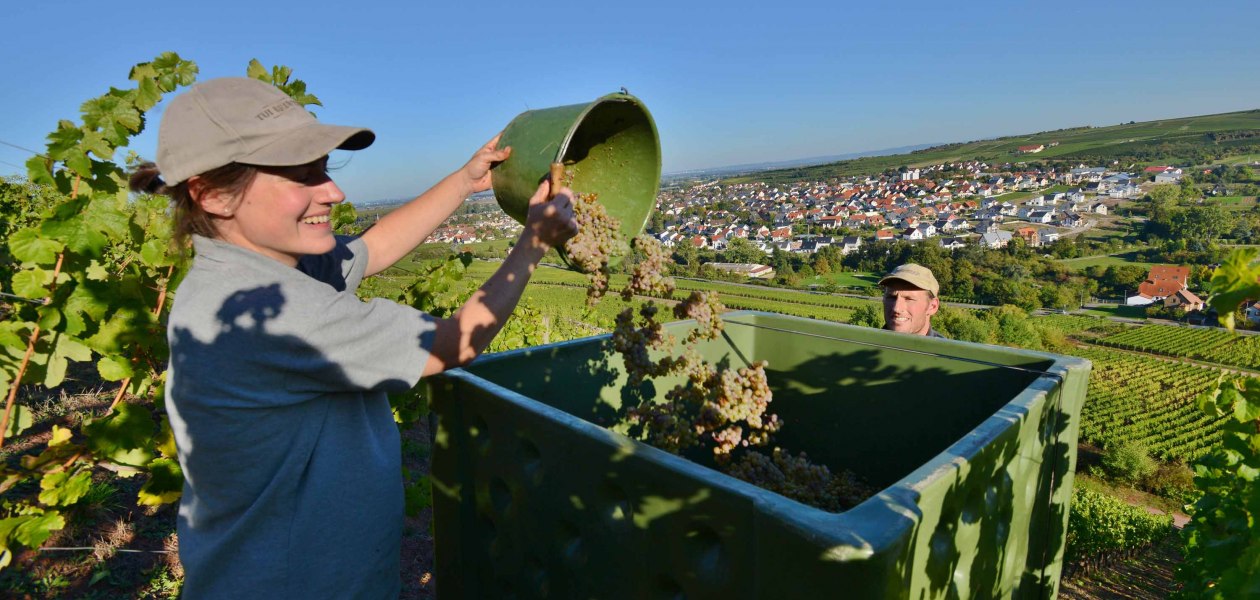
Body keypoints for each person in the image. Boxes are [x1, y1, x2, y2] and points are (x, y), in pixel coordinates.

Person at [130, 77, 578, 598]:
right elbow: (456, 343)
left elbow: (371, 249)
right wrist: (533, 244)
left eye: (324, 168)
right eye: (301, 176)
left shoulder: (247, 275)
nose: (334, 191)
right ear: (211, 196)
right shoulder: (275, 312)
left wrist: (463, 181)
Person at [878, 263, 946, 338]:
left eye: (909, 299)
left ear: (932, 306)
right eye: (891, 297)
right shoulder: (866, 345)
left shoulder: (946, 349)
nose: (896, 308)